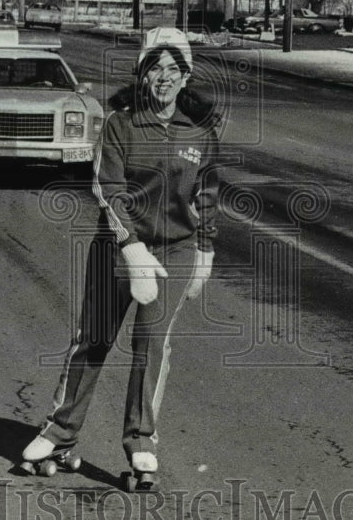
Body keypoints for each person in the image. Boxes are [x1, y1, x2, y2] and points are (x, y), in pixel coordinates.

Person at [21, 27, 221, 490]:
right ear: (142, 74)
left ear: (187, 75)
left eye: (174, 69)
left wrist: (206, 250)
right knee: (93, 339)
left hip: (175, 251)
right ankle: (60, 431)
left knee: (151, 346)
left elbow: (207, 193)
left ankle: (141, 441)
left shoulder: (199, 132)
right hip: (118, 249)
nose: (165, 78)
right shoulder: (120, 124)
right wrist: (130, 247)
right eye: (155, 68)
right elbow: (107, 189)